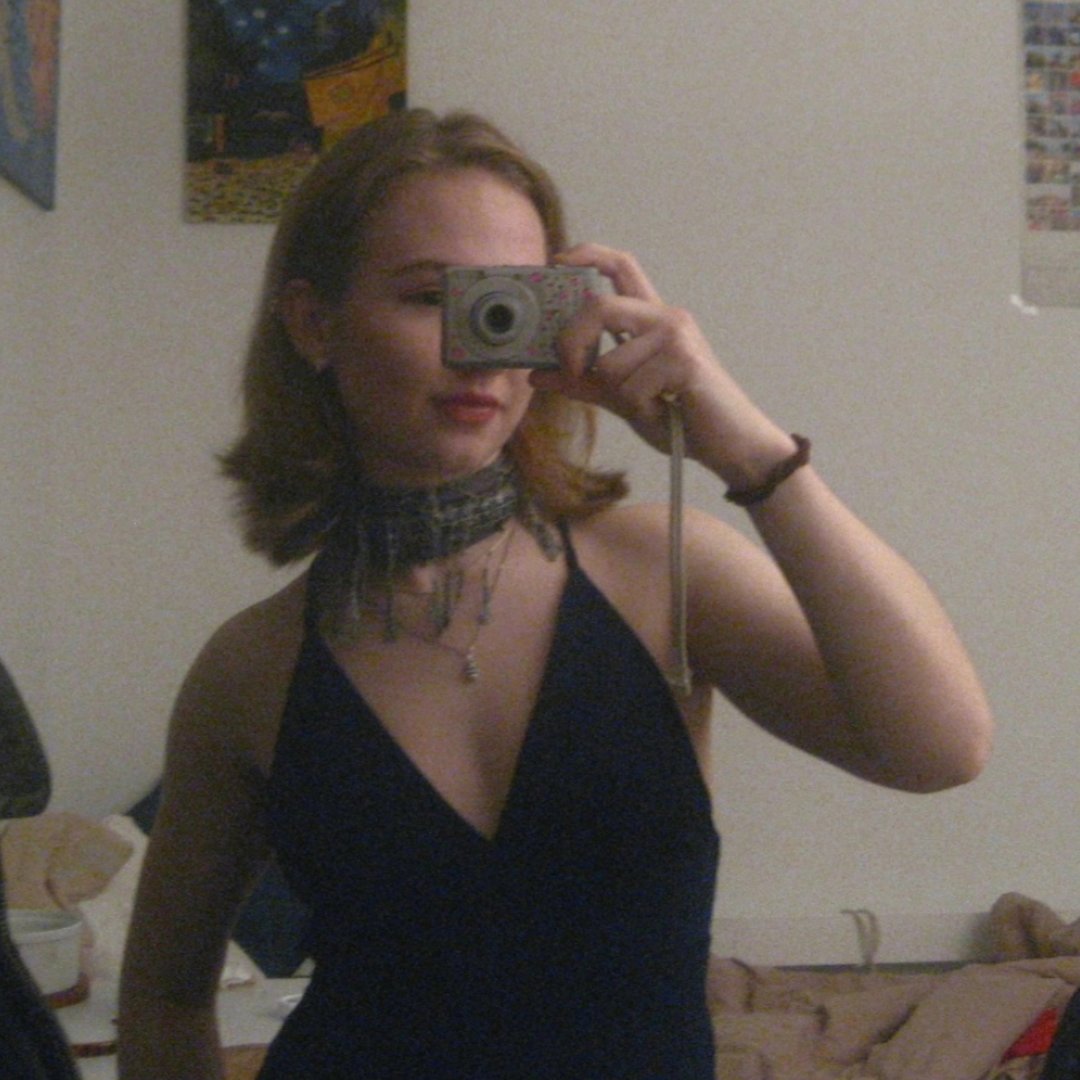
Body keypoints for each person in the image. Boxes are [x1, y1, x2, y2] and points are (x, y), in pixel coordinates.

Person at [117, 108, 993, 1079]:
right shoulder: (250, 669)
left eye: (512, 302)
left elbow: (940, 748)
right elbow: (163, 995)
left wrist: (744, 446)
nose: (483, 347)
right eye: (432, 298)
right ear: (314, 323)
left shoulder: (657, 572)